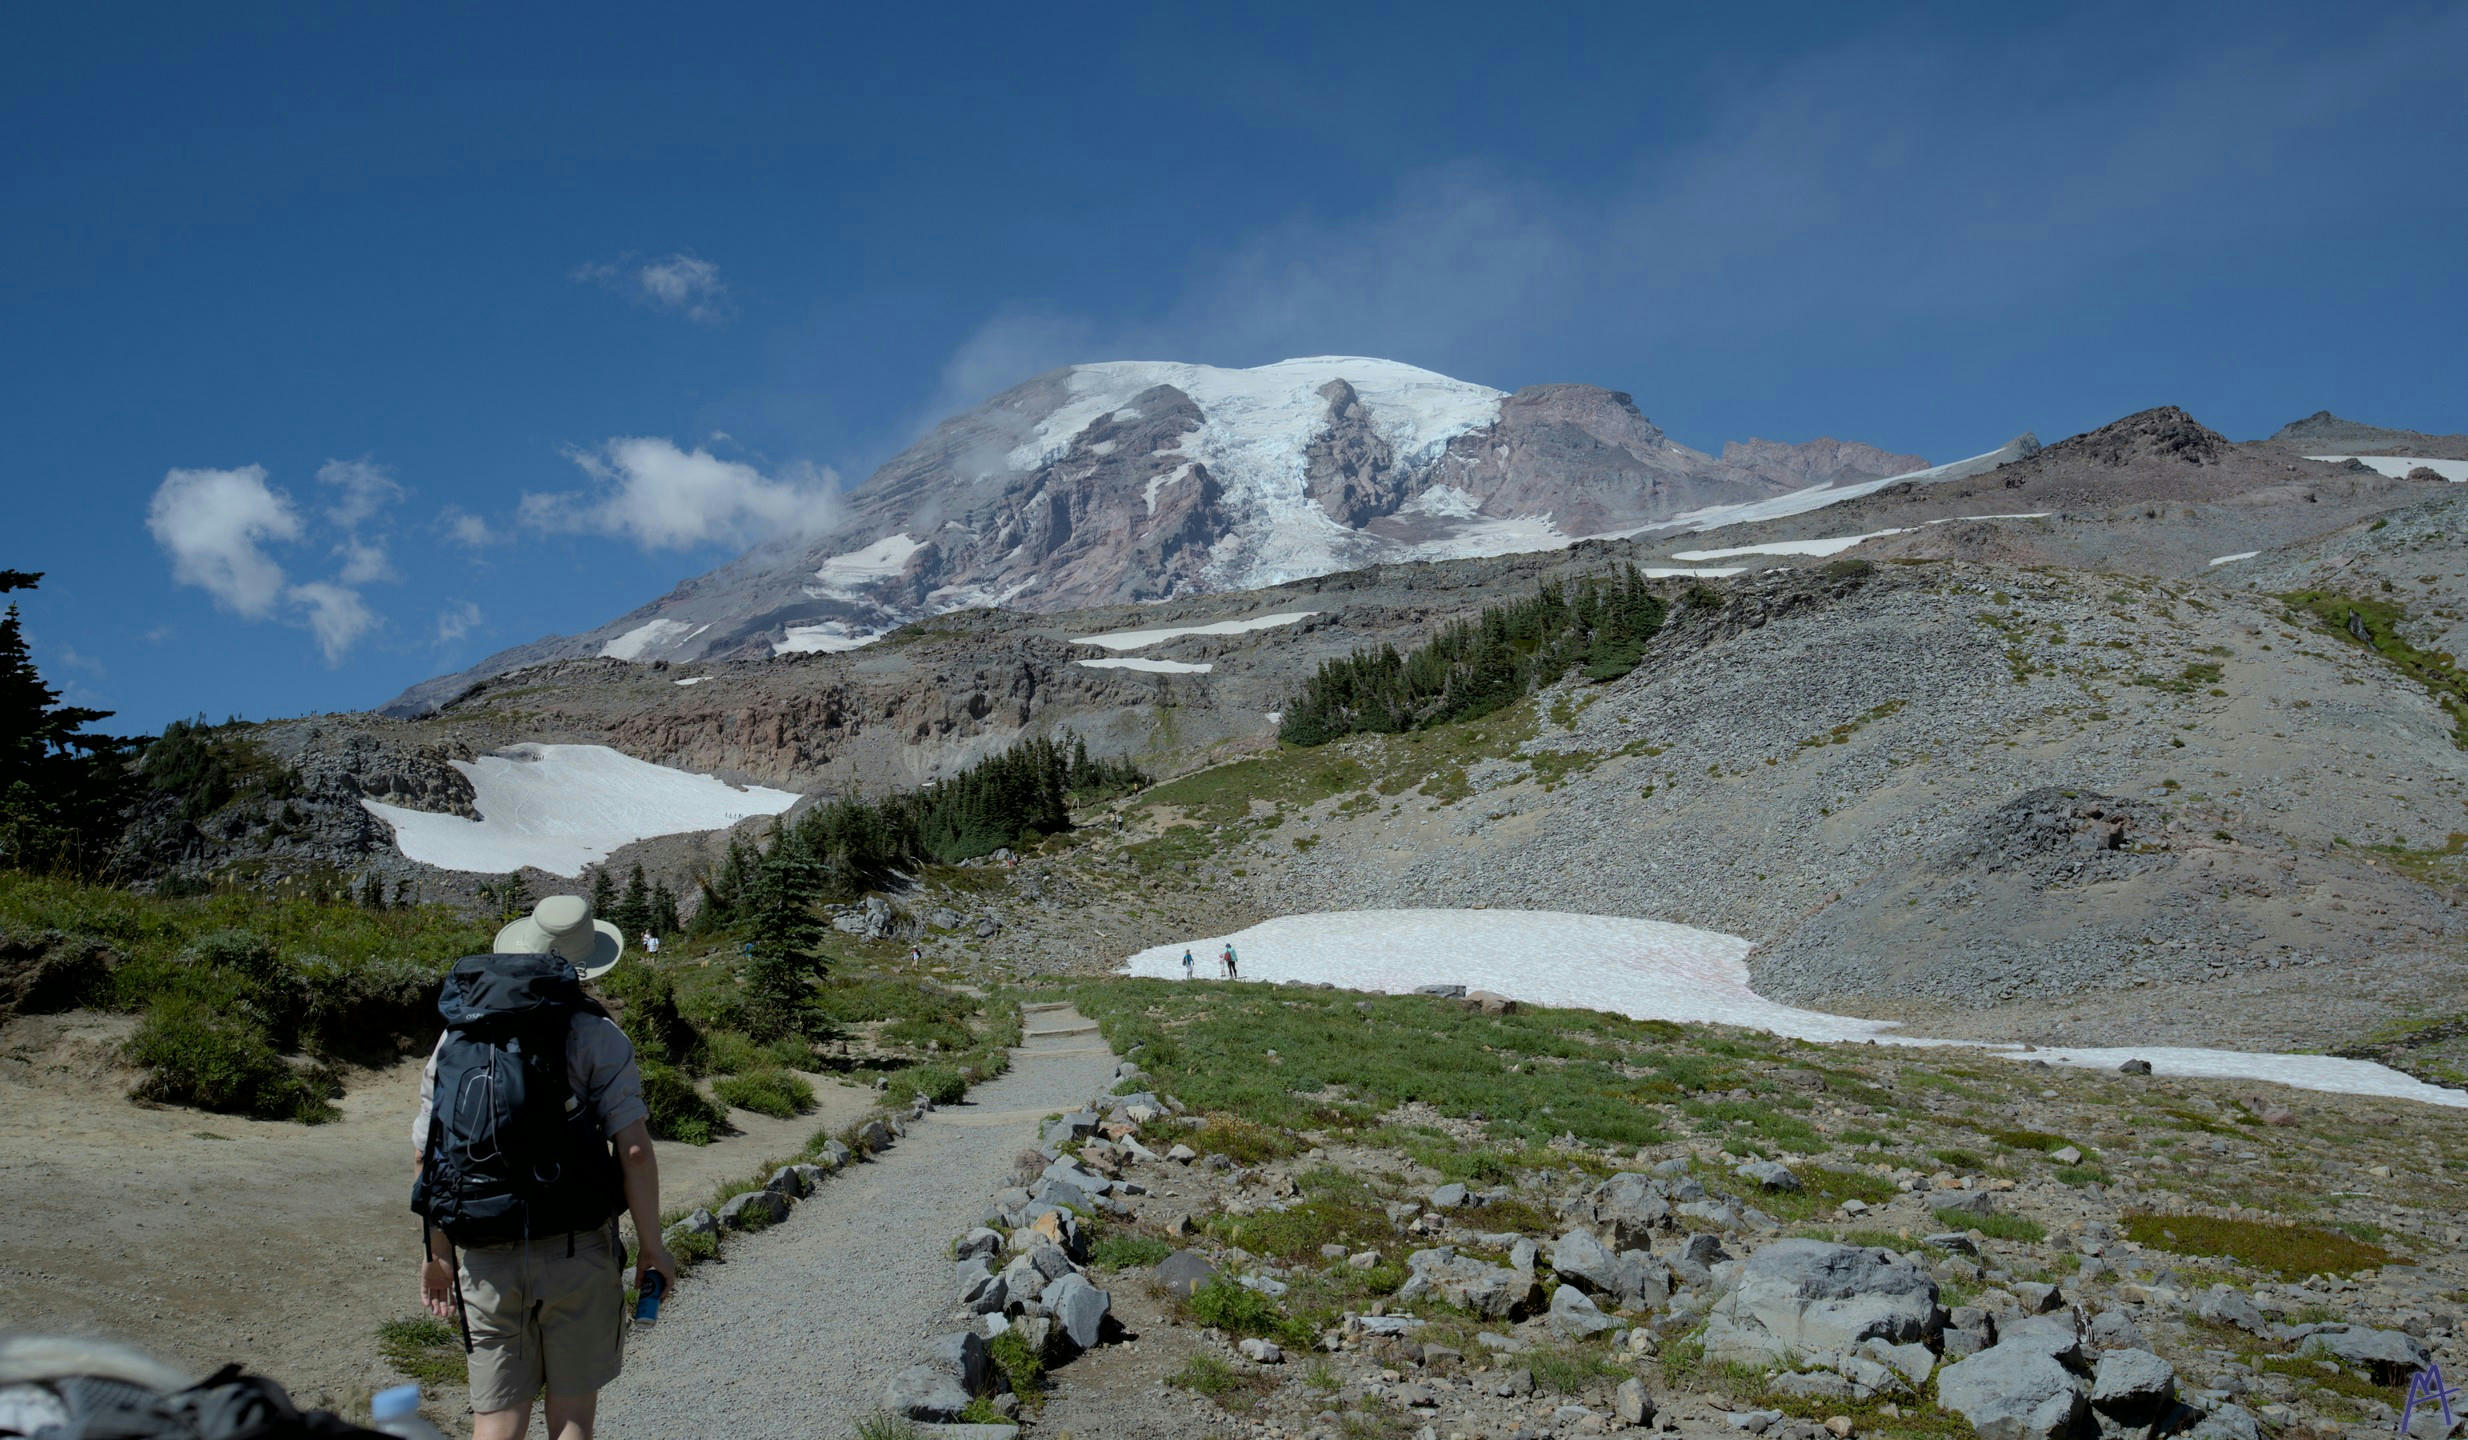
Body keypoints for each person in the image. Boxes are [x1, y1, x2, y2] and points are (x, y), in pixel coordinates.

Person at [411, 895, 675, 1440]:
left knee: (499, 1416)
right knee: (572, 1414)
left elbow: (427, 1155)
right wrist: (652, 1246)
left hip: (483, 1251)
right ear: (586, 964)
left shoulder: (457, 1035)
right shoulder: (598, 1035)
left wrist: (438, 1255)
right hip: (576, 1249)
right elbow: (633, 1150)